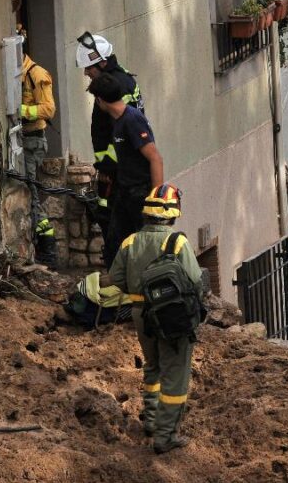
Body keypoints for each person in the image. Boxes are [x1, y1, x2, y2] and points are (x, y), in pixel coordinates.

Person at [109, 184, 203, 454]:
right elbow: (196, 280)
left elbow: (116, 279)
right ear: (173, 215)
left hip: (141, 314)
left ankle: (150, 421)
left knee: (153, 366)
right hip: (172, 315)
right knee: (175, 374)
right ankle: (165, 435)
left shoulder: (130, 242)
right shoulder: (177, 242)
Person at [75, 32, 144, 245]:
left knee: (119, 230)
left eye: (89, 68)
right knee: (110, 221)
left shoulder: (116, 87)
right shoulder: (116, 80)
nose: (86, 73)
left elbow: (120, 135)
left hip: (121, 173)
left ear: (102, 63)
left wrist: (108, 167)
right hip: (114, 171)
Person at [87, 73, 163, 267]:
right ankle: (118, 284)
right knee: (115, 243)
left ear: (100, 100)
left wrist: (156, 197)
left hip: (141, 192)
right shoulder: (118, 121)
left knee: (146, 244)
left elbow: (155, 158)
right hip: (124, 190)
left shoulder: (132, 120)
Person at [17, 39, 58, 268]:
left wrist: (21, 110)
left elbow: (48, 109)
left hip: (33, 141)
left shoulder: (36, 73)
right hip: (23, 140)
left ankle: (48, 247)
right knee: (27, 191)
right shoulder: (18, 74)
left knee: (32, 194)